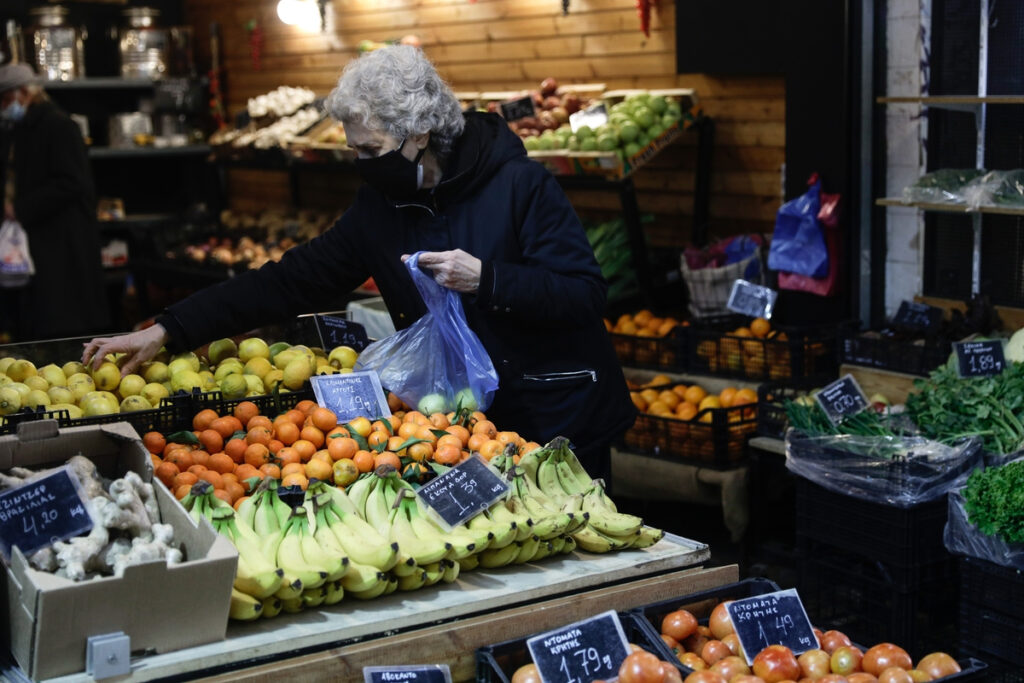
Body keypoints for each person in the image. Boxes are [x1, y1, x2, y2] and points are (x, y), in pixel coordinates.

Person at [83, 46, 634, 482]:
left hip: (557, 416)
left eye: (370, 150)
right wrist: (169, 327)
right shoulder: (381, 208)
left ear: (419, 133)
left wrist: (486, 278)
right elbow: (290, 281)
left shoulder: (521, 187)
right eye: (354, 149)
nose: (360, 163)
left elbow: (583, 293)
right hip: (460, 428)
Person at [1, 62, 109, 340]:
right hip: (40, 236)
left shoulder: (58, 125)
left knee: (64, 316)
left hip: (63, 239)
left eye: (4, 99)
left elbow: (72, 182)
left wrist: (21, 208)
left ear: (23, 93)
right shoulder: (21, 126)